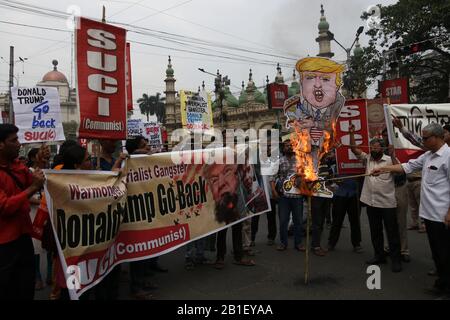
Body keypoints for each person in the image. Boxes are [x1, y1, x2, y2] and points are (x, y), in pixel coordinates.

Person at [372, 123, 450, 295]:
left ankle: (446, 288)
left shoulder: (448, 156)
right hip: (429, 214)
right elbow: (406, 166)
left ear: (437, 138)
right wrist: (383, 168)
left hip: (442, 216)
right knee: (437, 253)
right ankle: (441, 284)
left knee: (445, 254)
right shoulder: (428, 156)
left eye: (425, 138)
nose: (422, 141)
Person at [0, 124, 45, 300]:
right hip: (4, 245)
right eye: (14, 140)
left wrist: (40, 164)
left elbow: (32, 181)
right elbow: (5, 207)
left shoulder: (18, 165)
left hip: (23, 237)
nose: (19, 144)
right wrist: (33, 187)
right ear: (1, 145)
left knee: (26, 286)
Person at [349, 125, 402, 273]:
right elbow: (354, 149)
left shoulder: (390, 160)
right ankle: (379, 256)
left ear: (382, 148)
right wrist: (352, 133)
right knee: (375, 231)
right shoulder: (367, 158)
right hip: (371, 202)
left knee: (392, 232)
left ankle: (396, 260)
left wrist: (392, 155)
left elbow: (400, 174)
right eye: (371, 147)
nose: (373, 149)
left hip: (387, 203)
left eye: (377, 147)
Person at [381, 128, 410, 262]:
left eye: (388, 135)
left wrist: (393, 155)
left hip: (399, 187)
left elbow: (401, 170)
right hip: (387, 189)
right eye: (384, 135)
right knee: (388, 220)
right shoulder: (381, 149)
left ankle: (403, 250)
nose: (386, 137)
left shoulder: (401, 145)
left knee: (401, 221)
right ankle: (389, 247)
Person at [271, 139, 305, 252]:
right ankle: (283, 243)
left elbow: (306, 175)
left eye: (291, 145)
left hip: (298, 197)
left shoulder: (300, 160)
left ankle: (298, 243)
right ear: (283, 148)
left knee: (298, 221)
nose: (289, 147)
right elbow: (273, 177)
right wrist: (274, 191)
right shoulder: (279, 161)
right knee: (283, 221)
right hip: (283, 197)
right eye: (286, 146)